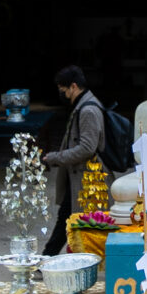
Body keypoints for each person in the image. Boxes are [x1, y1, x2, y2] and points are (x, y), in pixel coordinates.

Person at [42, 64, 105, 255]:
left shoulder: (88, 111)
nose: (63, 95)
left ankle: (47, 260)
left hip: (86, 180)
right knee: (67, 220)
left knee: (69, 221)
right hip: (78, 177)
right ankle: (47, 259)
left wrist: (55, 158)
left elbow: (87, 148)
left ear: (74, 86)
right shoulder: (83, 106)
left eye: (64, 90)